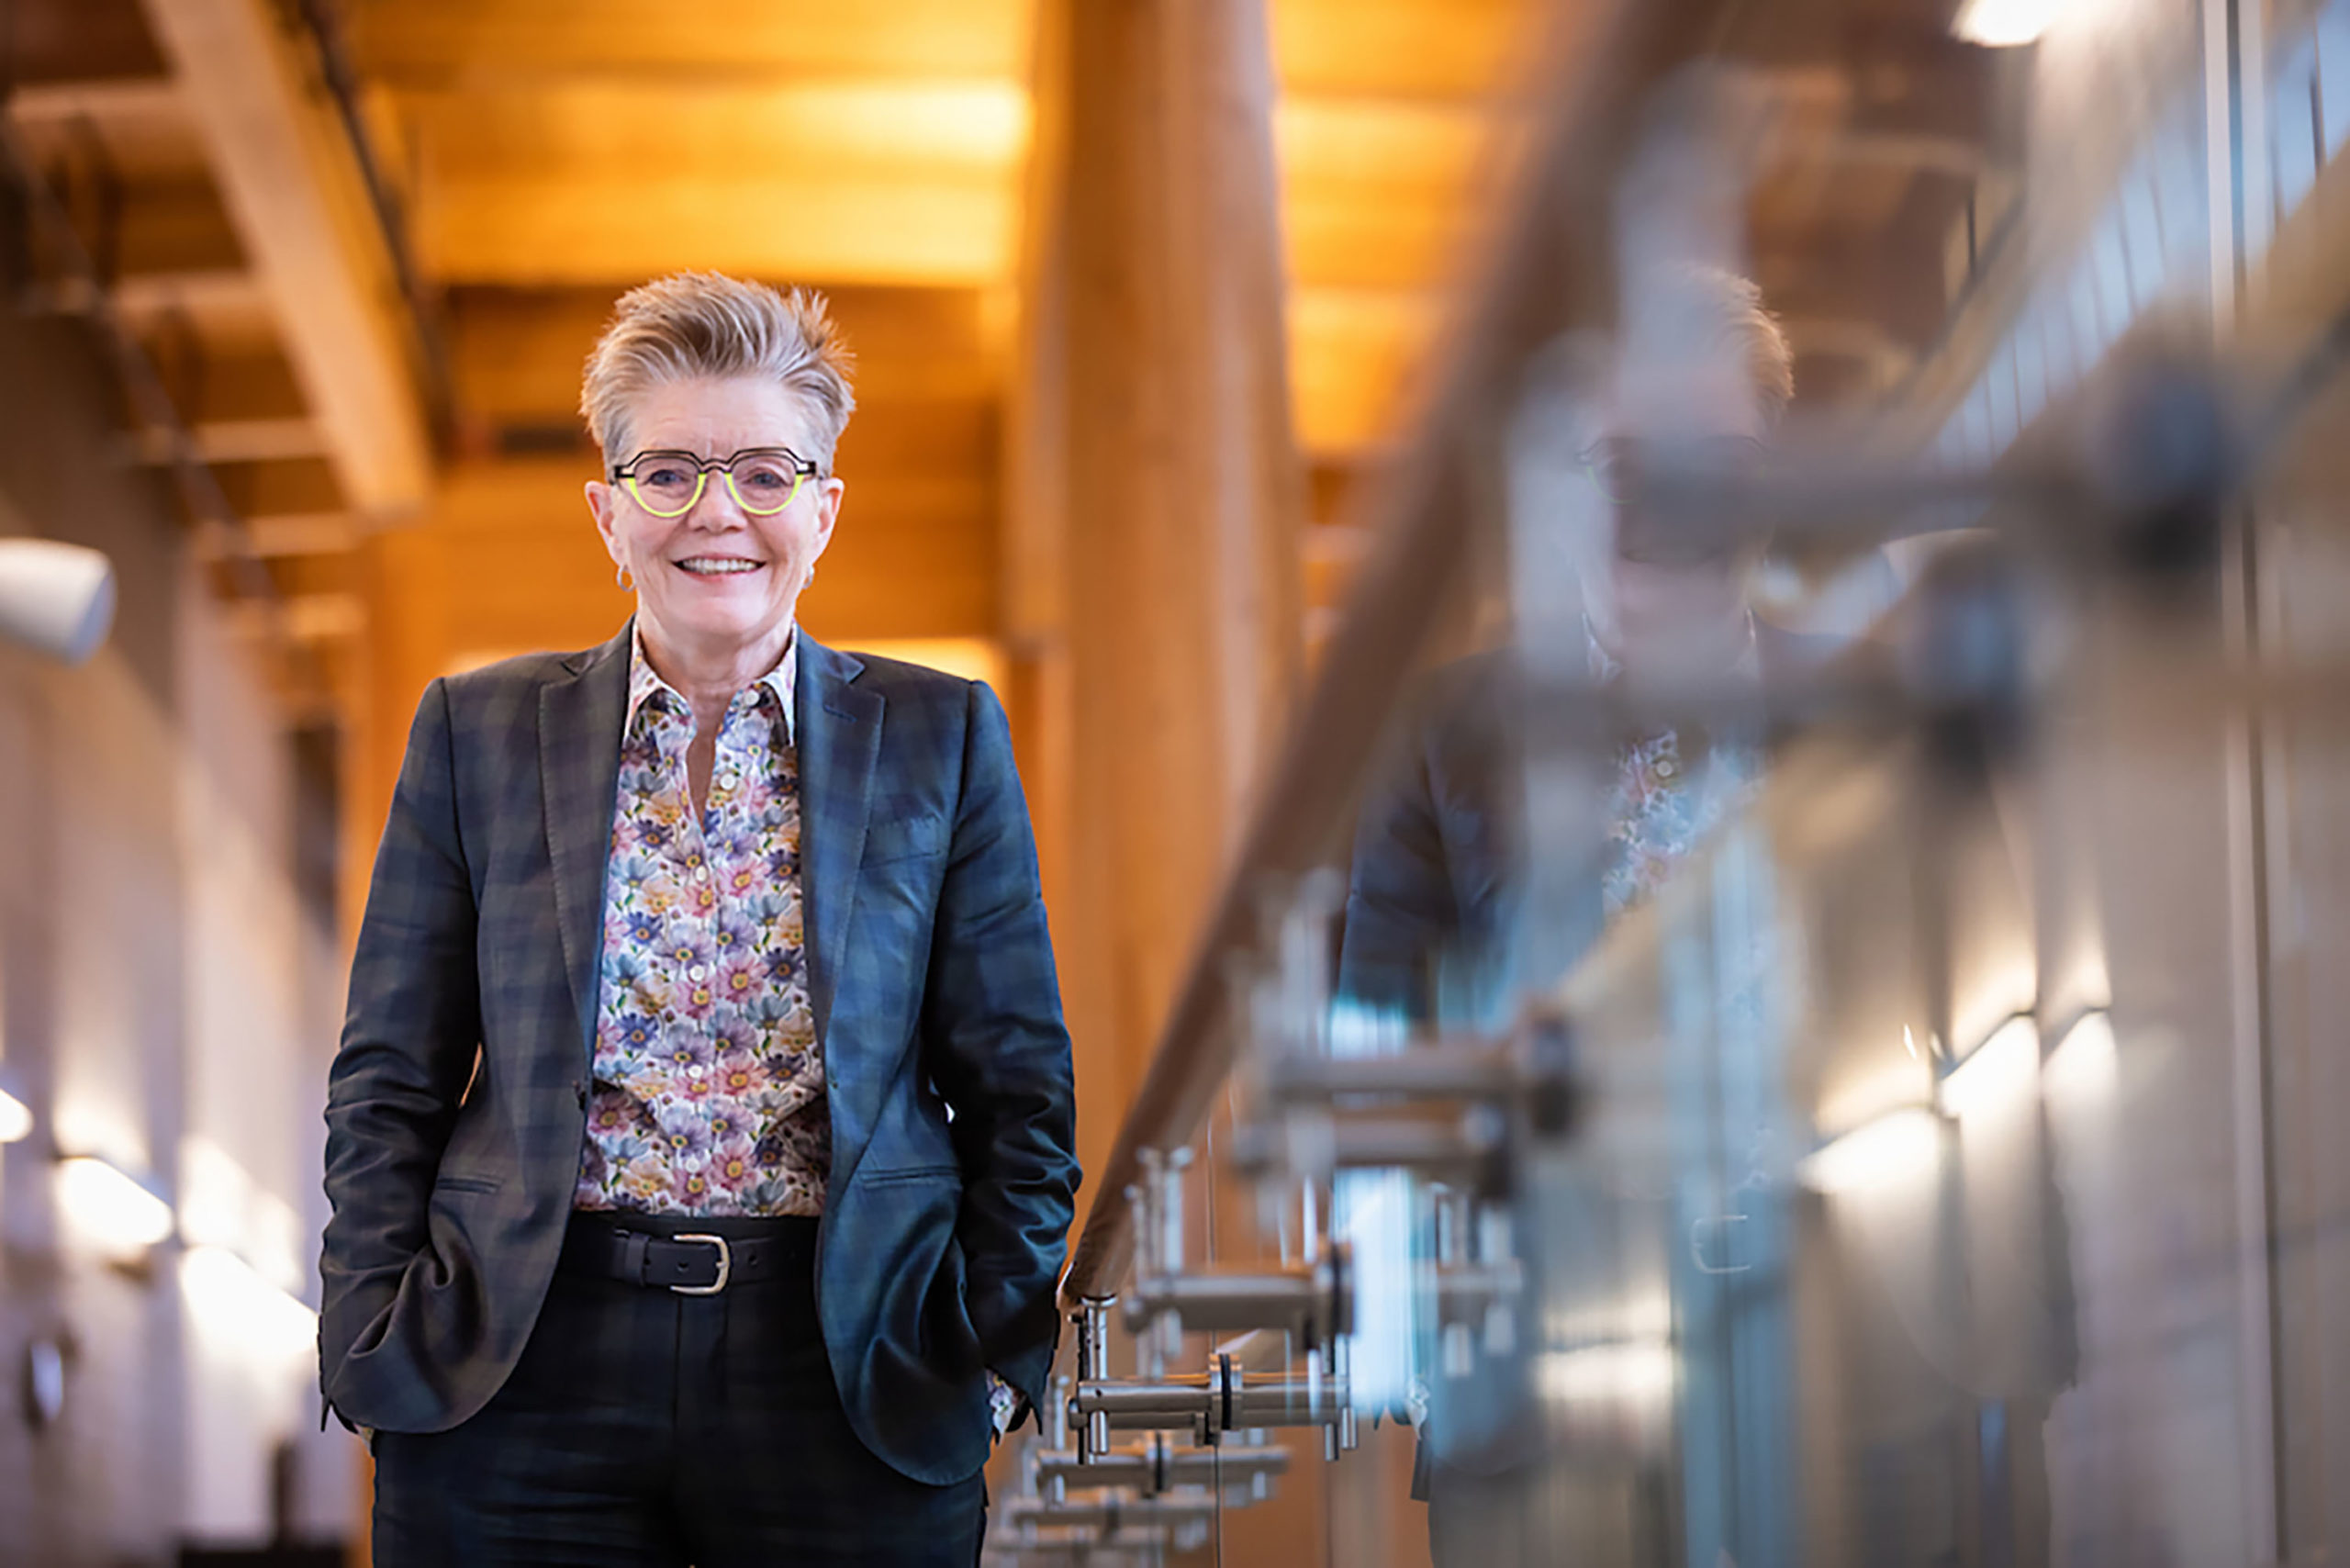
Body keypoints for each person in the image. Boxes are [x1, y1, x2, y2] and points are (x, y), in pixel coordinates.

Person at [319, 272, 1080, 1565]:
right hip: (521, 1363)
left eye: (766, 474)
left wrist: (995, 1357)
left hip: (851, 1363)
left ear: (824, 510)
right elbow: (389, 1076)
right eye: (667, 473)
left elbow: (1018, 1088)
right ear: (606, 511)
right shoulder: (476, 734)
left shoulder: (942, 739)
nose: (716, 512)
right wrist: (369, 1337)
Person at [1337, 266, 1809, 1565]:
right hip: (1541, 1376)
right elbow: (1370, 1061)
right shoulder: (1436, 737)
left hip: (1853, 1351)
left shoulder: (1877, 691)